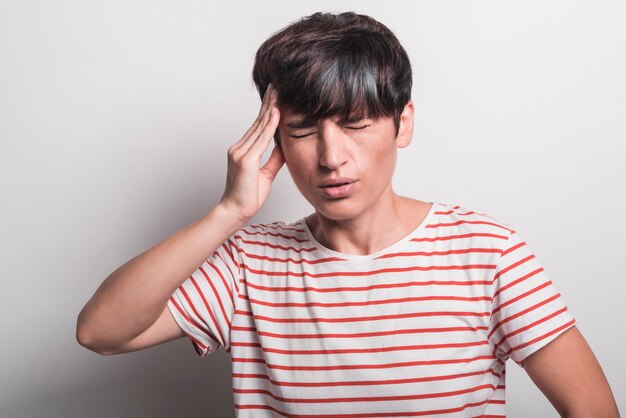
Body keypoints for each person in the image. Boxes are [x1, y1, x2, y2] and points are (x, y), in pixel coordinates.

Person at [77, 11, 619, 418]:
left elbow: (592, 410)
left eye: (355, 124)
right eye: (304, 130)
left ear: (402, 123)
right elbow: (100, 332)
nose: (331, 157)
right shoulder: (249, 263)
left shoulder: (488, 251)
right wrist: (229, 211)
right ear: (274, 139)